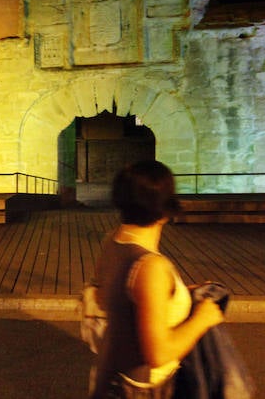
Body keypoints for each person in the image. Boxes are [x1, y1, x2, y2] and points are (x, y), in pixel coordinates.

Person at [90, 160, 224, 399]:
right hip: (142, 389)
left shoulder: (113, 241)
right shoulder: (151, 266)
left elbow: (111, 298)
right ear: (165, 210)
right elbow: (159, 354)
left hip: (111, 375)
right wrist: (204, 318)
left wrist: (174, 296)